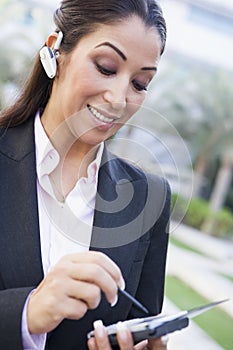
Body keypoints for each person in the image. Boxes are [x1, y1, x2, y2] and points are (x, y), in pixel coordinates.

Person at [0, 0, 171, 349]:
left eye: (140, 83)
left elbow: (143, 321)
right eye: (107, 68)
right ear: (55, 51)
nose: (119, 98)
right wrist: (26, 312)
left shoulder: (150, 197)